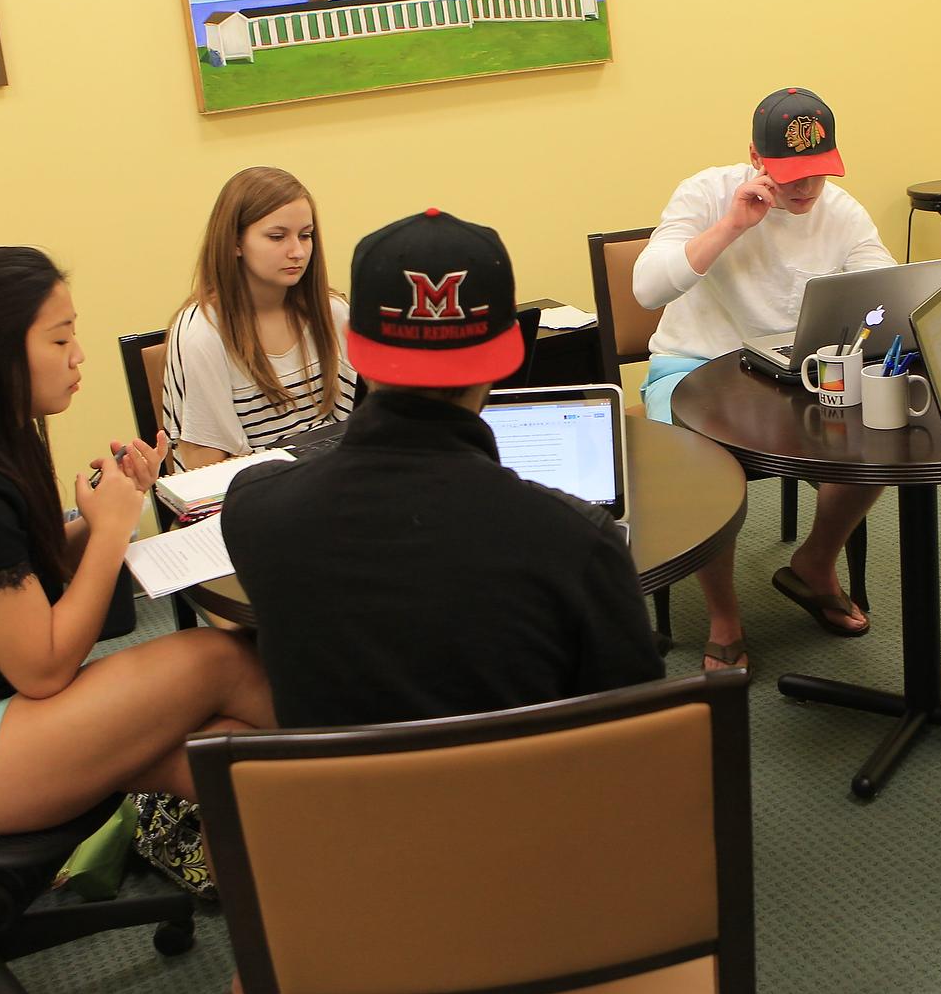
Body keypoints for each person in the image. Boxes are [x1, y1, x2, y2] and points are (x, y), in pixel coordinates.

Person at [0, 246, 276, 845]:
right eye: (60, 340)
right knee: (220, 658)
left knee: (224, 752)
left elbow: (19, 574)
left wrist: (104, 514)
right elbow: (44, 665)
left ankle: (322, 856)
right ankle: (383, 776)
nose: (79, 355)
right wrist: (115, 527)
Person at [223, 207, 663, 729]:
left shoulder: (255, 508)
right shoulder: (580, 544)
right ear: (504, 360)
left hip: (338, 805)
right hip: (521, 804)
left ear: (355, 353)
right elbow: (640, 734)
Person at [633, 87, 893, 670]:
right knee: (704, 463)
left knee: (882, 436)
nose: (806, 189)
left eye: (818, 173)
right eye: (791, 174)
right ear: (754, 156)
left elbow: (884, 292)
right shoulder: (703, 193)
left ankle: (814, 564)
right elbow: (647, 289)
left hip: (791, 373)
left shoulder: (841, 211)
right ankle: (724, 616)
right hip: (695, 365)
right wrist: (731, 225)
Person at [162, 166, 356, 470]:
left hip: (330, 481)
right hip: (249, 495)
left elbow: (359, 427)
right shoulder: (202, 333)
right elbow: (206, 468)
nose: (297, 252)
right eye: (277, 237)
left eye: (305, 236)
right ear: (235, 242)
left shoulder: (333, 312)